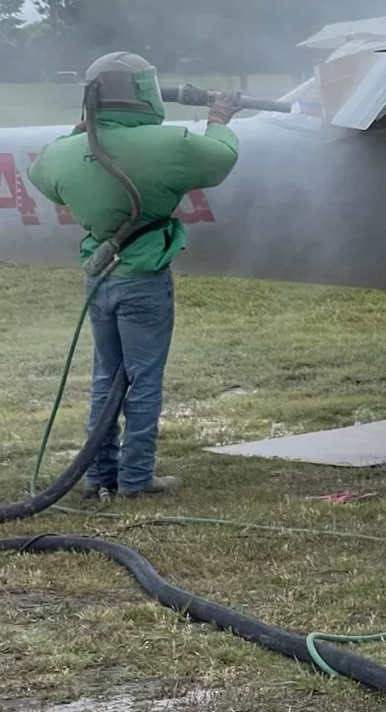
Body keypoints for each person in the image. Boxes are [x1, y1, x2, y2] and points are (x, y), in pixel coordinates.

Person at [28, 52, 242, 501]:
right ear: (144, 90)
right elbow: (221, 158)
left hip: (99, 278)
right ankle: (136, 477)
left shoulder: (63, 153)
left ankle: (97, 476)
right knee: (143, 379)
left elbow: (41, 176)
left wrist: (83, 125)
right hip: (144, 279)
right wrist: (220, 117)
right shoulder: (173, 143)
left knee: (107, 375)